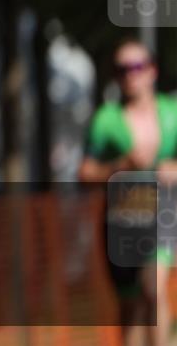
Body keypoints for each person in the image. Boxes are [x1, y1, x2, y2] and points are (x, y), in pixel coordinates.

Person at [79, 38, 177, 346]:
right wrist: (120, 166)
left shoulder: (173, 113)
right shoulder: (105, 121)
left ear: (152, 71)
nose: (130, 75)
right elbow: (84, 173)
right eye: (122, 69)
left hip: (163, 211)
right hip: (122, 217)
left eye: (137, 67)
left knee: (155, 291)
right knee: (131, 307)